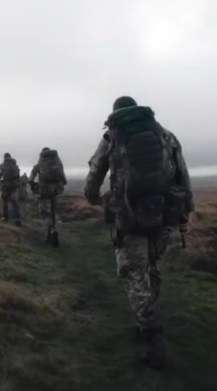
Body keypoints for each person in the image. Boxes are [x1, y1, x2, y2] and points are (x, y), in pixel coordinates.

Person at [83, 96, 194, 370]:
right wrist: (186, 214)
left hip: (128, 216)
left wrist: (95, 198)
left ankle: (152, 335)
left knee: (135, 274)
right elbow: (182, 175)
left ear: (116, 115)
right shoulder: (165, 135)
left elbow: (94, 175)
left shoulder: (112, 138)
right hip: (163, 213)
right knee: (152, 268)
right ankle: (146, 319)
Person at [30, 147, 67, 247]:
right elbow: (64, 178)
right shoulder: (58, 163)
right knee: (53, 212)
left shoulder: (39, 164)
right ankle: (51, 236)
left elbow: (31, 178)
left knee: (44, 212)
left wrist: (34, 187)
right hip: (56, 190)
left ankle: (52, 230)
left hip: (44, 190)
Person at [0, 153, 22, 226]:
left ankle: (5, 217)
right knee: (15, 202)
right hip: (14, 185)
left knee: (5, 201)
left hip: (5, 186)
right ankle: (17, 218)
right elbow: (17, 175)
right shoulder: (15, 165)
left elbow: (0, 175)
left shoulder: (1, 165)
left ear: (4, 157)